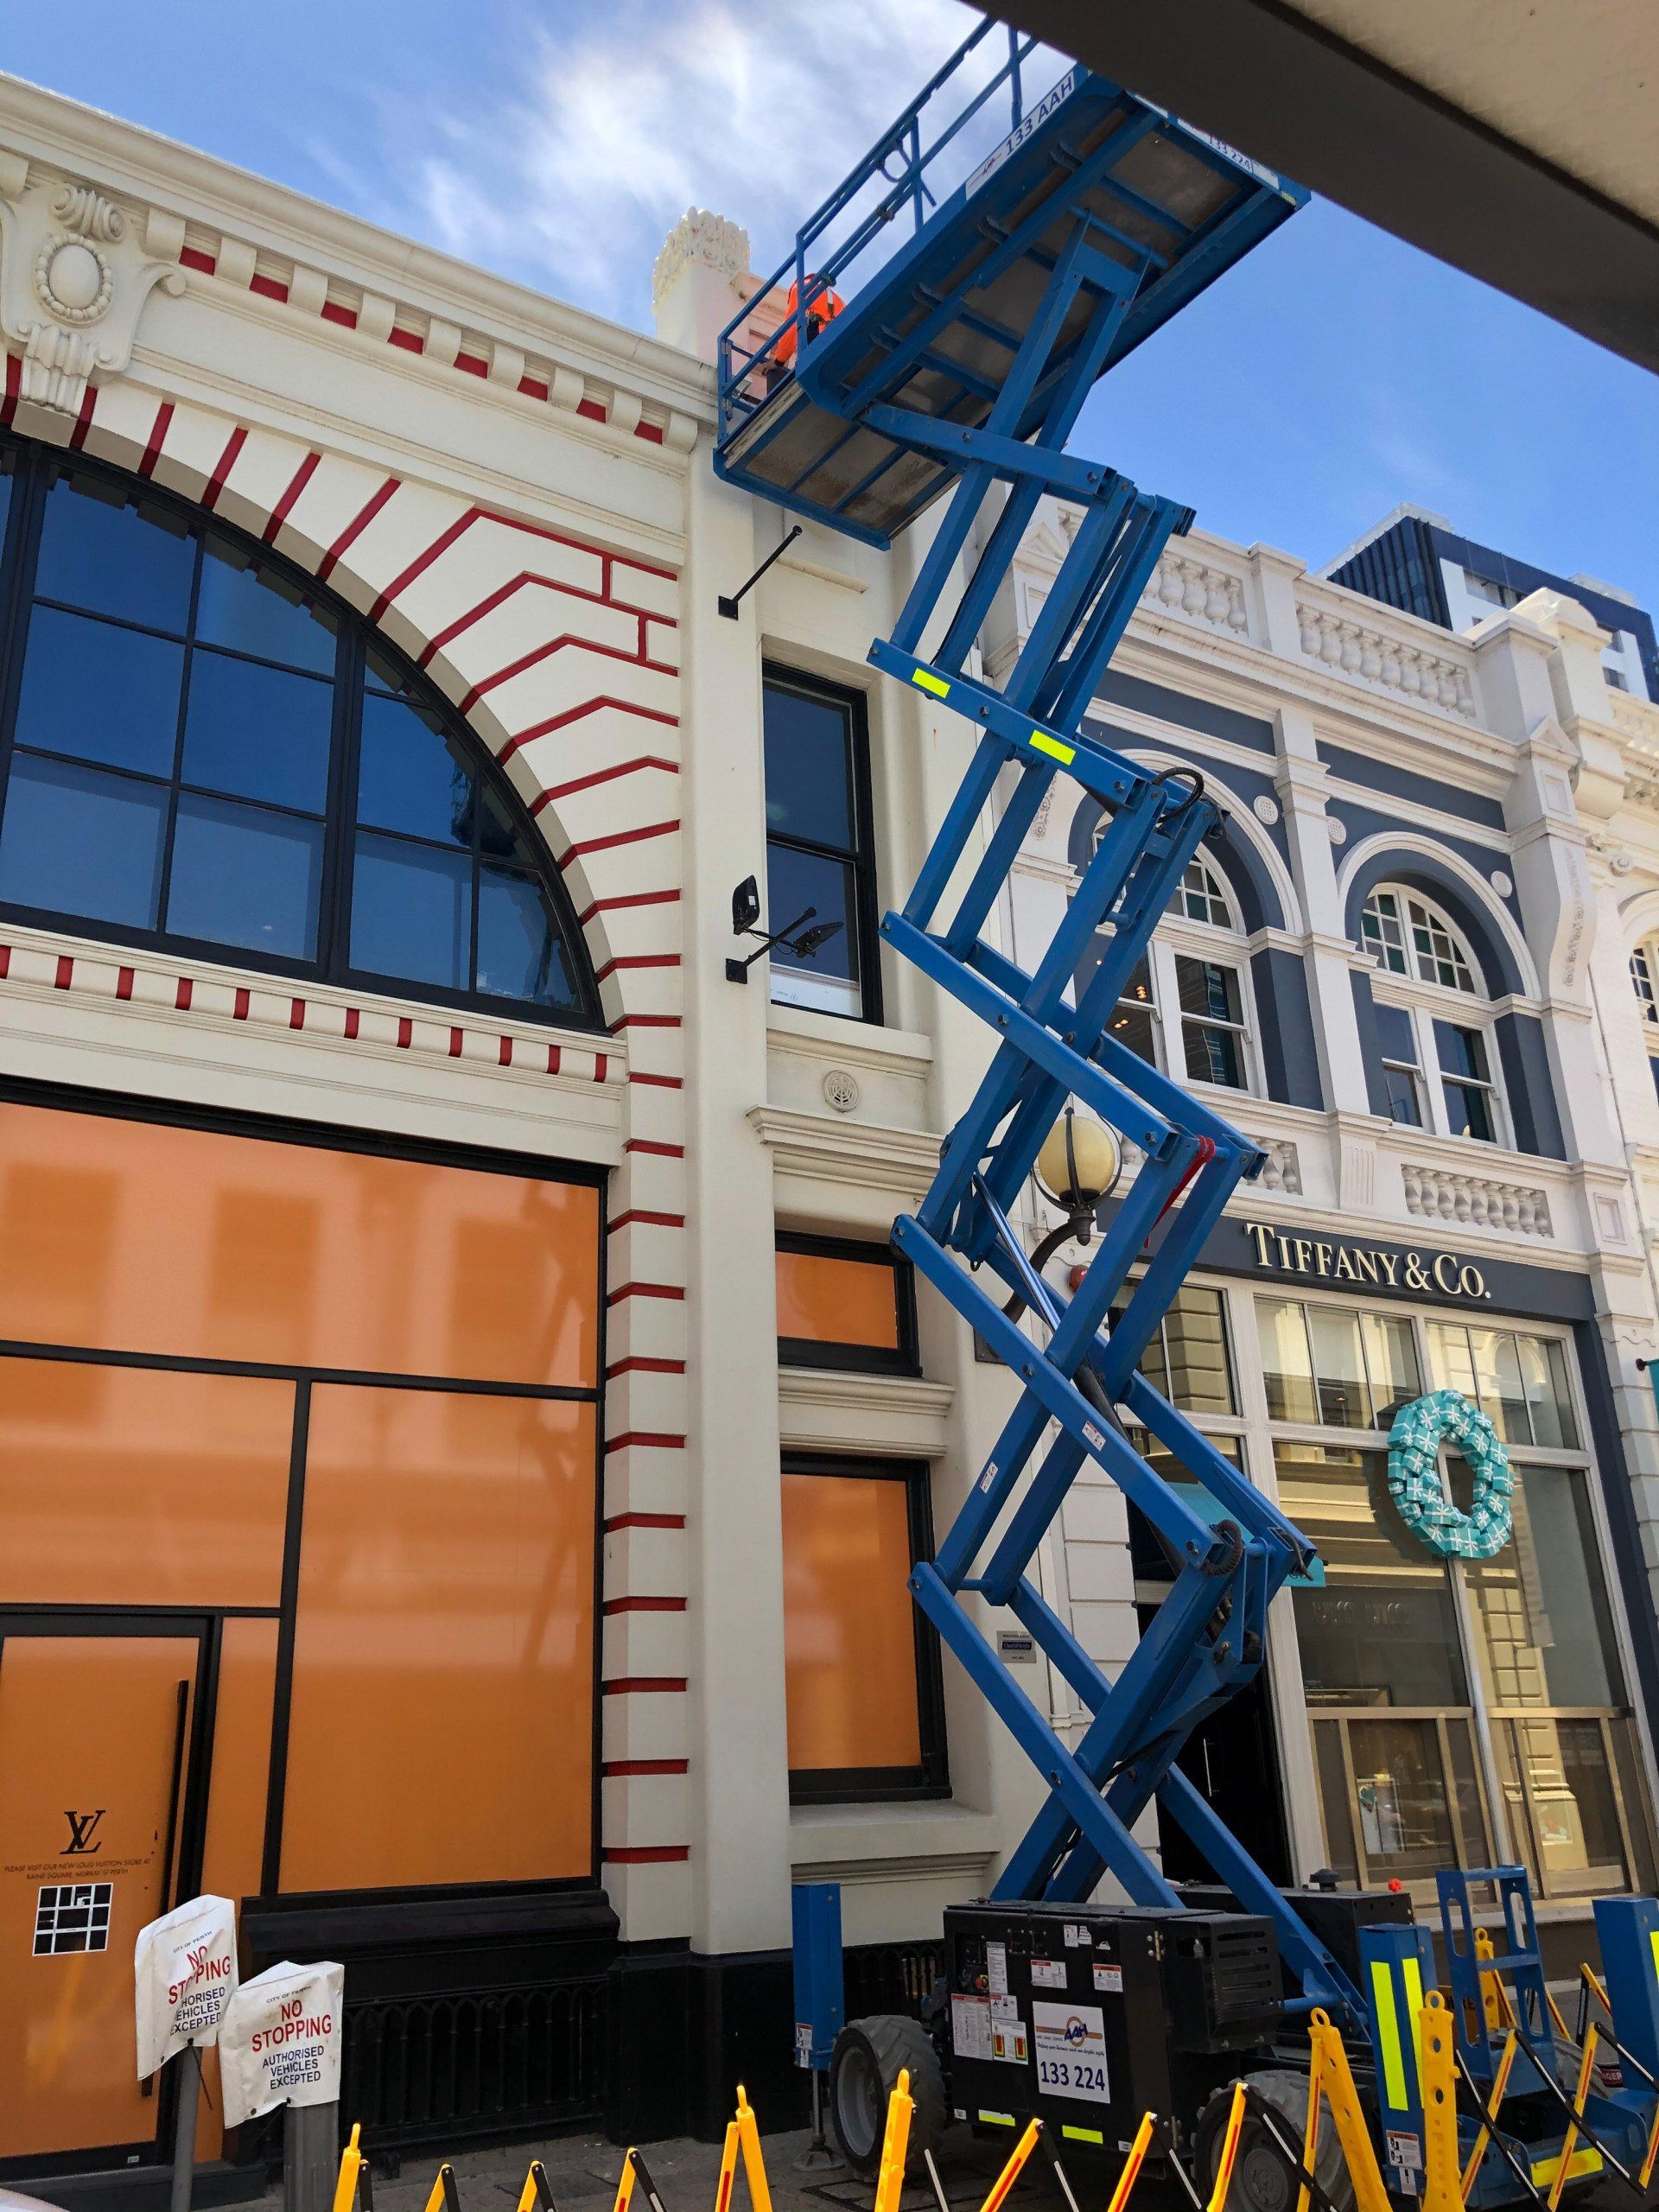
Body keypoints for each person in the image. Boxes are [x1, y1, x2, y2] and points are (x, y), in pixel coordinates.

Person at [769, 272, 845, 381]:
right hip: (842, 331)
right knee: (810, 324)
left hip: (836, 334)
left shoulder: (799, 290)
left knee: (804, 331)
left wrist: (779, 361)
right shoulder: (825, 294)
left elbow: (790, 328)